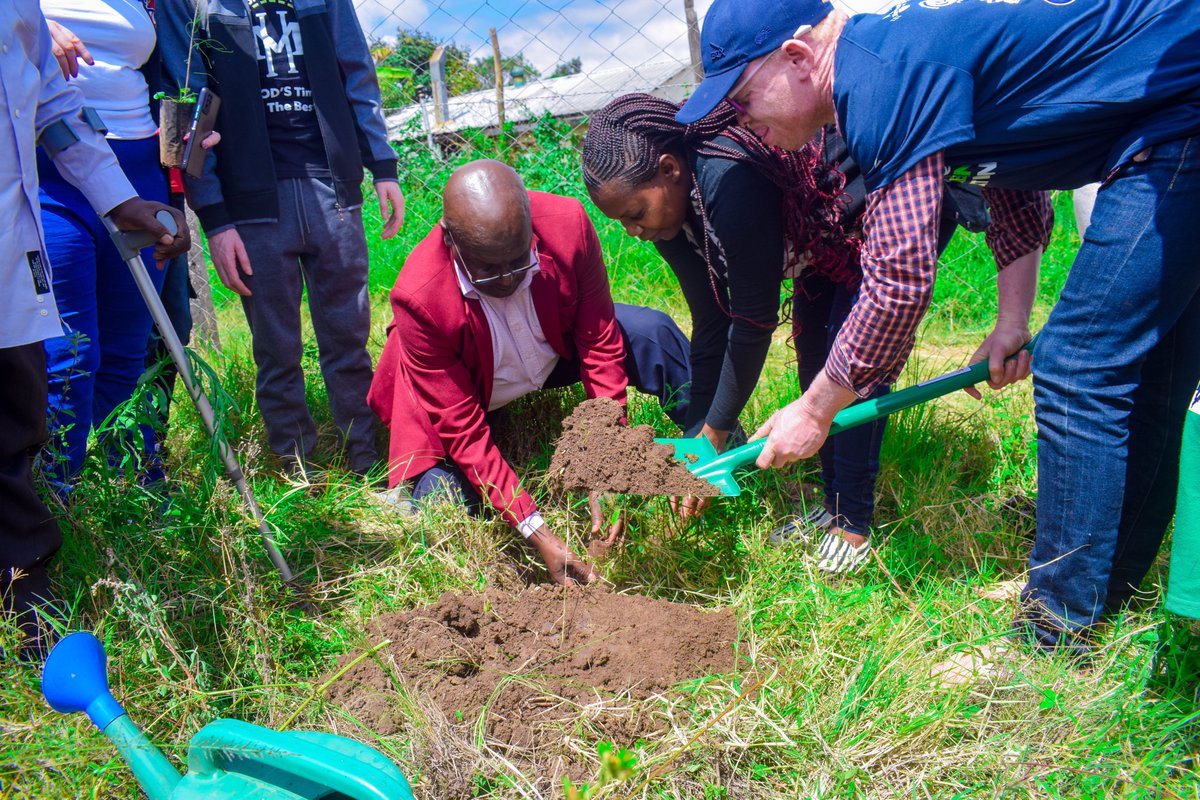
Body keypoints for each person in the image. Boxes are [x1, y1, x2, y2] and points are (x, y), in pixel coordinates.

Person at [678, 0, 1200, 654]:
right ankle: (1107, 591)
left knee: (1078, 366)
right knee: (1150, 366)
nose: (745, 119)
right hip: (1173, 119)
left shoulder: (879, 81)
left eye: (745, 96)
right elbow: (1012, 172)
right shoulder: (894, 63)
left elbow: (899, 281)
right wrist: (1012, 320)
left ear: (798, 58)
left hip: (1178, 123)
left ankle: (1053, 638)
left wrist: (814, 411)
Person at [582, 93, 986, 573]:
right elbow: (713, 323)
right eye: (621, 221)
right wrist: (698, 434)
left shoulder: (722, 176)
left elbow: (752, 320)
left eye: (635, 213)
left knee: (851, 362)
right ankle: (833, 503)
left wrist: (716, 433)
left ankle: (853, 524)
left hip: (872, 205)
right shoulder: (669, 219)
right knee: (816, 359)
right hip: (819, 232)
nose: (631, 230)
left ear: (670, 169)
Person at [369, 160, 692, 585]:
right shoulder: (420, 297)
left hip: (550, 350)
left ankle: (724, 444)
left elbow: (597, 344)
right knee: (444, 506)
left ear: (529, 224)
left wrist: (608, 463)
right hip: (470, 387)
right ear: (451, 240)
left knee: (650, 332)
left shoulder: (567, 224)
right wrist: (535, 530)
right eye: (487, 269)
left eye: (519, 262)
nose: (506, 280)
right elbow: (463, 429)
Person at [1, 0, 187, 652]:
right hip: (38, 200)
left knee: (63, 385)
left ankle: (50, 557)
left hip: (54, 201)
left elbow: (55, 110)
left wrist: (124, 199)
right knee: (59, 371)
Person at [159, 0, 405, 477]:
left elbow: (356, 68)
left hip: (332, 188)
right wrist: (215, 217)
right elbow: (185, 99)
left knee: (349, 337)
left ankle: (366, 461)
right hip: (251, 203)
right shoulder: (194, 6)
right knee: (275, 348)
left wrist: (382, 164)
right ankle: (296, 471)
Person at [36, 0, 215, 490]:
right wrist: (26, 28)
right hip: (48, 169)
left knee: (129, 349)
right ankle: (56, 499)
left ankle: (131, 489)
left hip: (137, 166)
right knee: (69, 352)